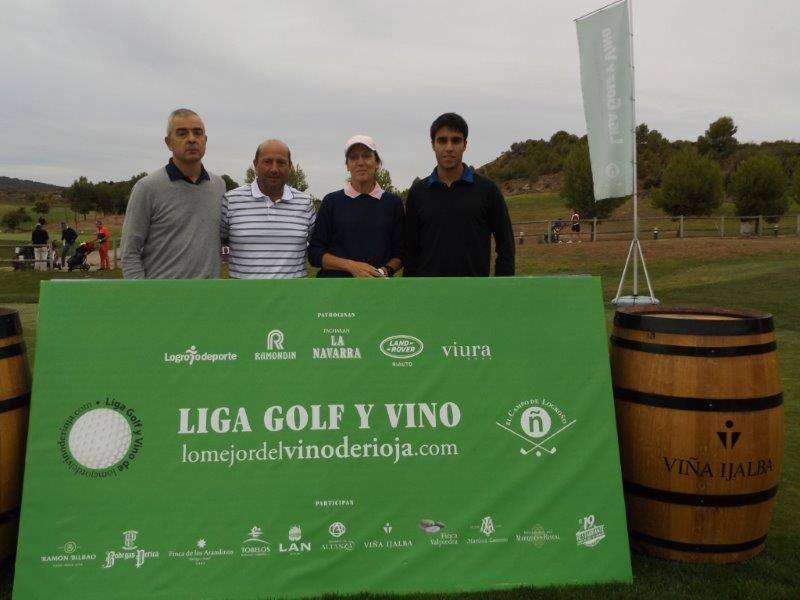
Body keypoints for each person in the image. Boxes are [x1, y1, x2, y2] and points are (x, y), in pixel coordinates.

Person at [404, 113, 515, 277]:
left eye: (455, 140)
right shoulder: (417, 193)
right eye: (442, 140)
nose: (449, 147)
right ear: (433, 145)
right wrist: (411, 291)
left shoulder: (487, 190)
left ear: (465, 144)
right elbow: (411, 251)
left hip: (474, 294)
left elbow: (506, 244)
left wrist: (501, 287)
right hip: (428, 294)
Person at [121, 108, 225, 279]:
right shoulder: (147, 188)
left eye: (197, 133)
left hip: (208, 299)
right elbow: (129, 253)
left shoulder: (218, 186)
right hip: (162, 300)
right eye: (182, 133)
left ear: (205, 140)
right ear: (169, 143)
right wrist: (141, 296)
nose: (191, 139)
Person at [308, 135, 403, 278]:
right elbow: (315, 253)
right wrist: (351, 266)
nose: (360, 162)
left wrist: (384, 271)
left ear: (377, 162)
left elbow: (401, 252)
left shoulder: (392, 203)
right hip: (335, 292)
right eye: (353, 158)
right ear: (347, 165)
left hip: (378, 290)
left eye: (366, 156)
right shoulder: (331, 202)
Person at [221, 139, 316, 278]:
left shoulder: (305, 204)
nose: (274, 169)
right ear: (255, 164)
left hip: (294, 298)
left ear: (290, 166)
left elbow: (320, 248)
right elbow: (216, 242)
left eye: (281, 163)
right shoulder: (231, 201)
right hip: (243, 298)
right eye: (267, 161)